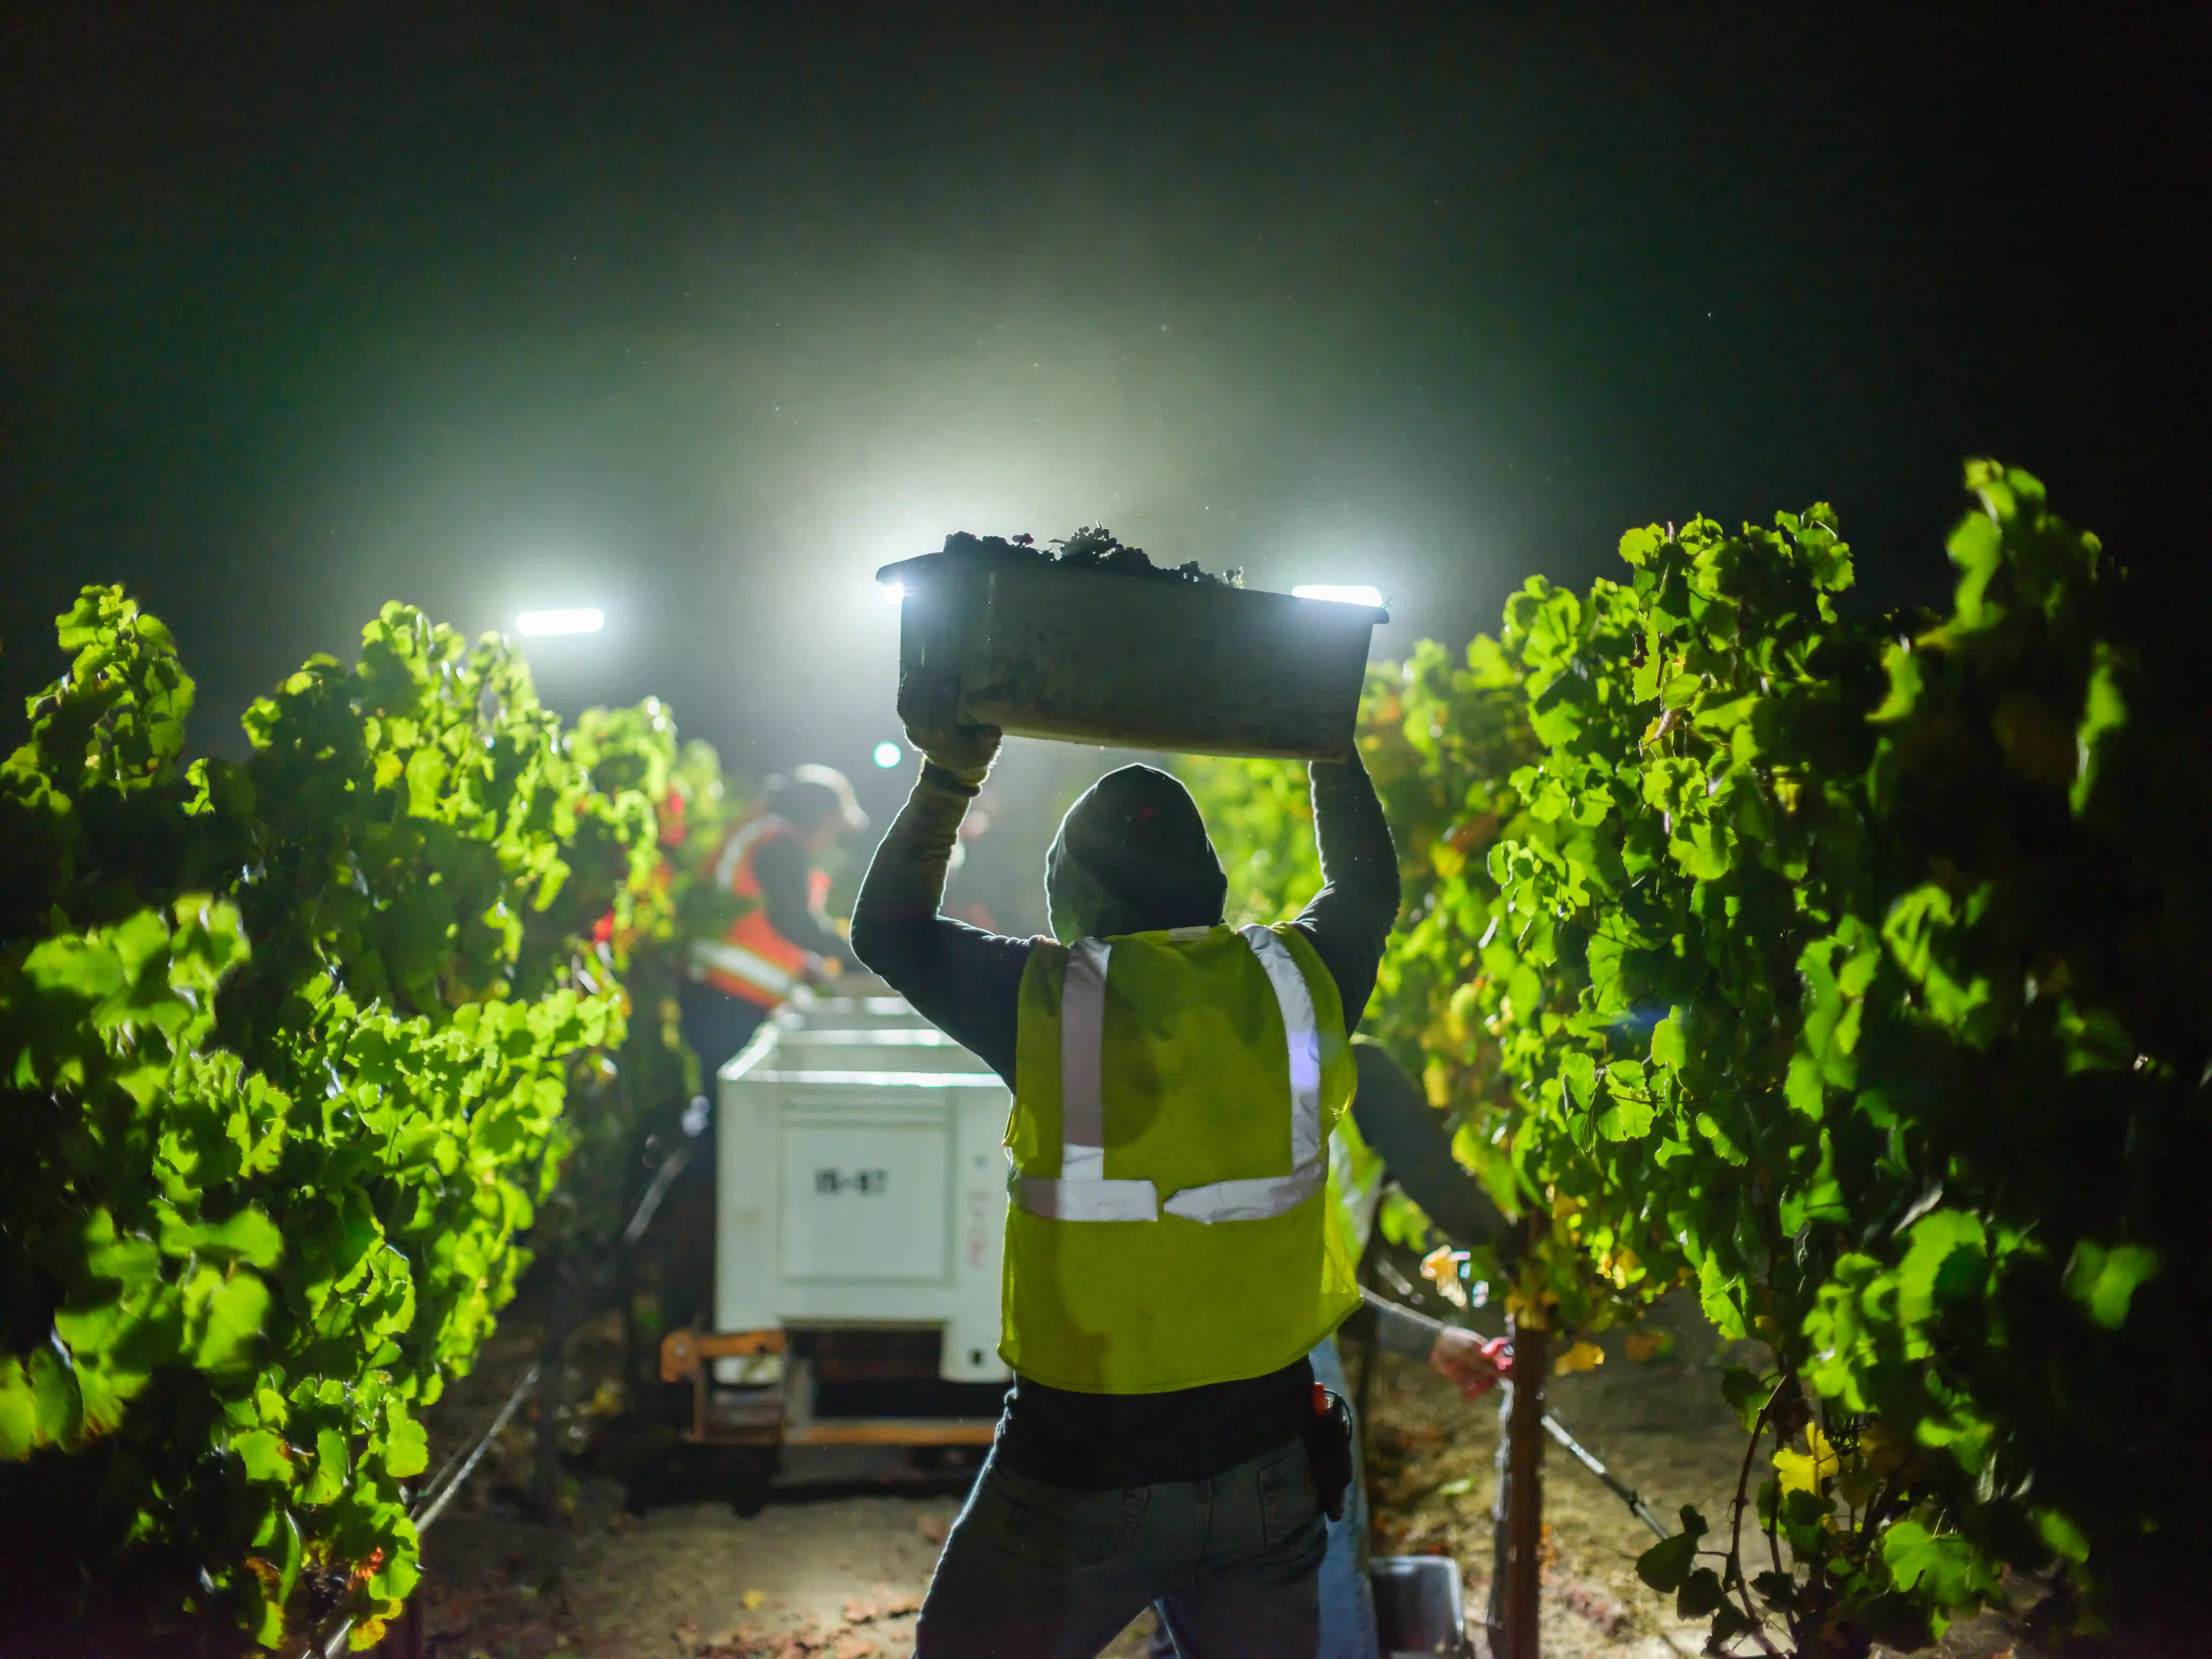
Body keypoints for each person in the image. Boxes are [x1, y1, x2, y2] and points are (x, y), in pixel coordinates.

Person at [850, 716, 1399, 1658]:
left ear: (1073, 894)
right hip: (1267, 1475)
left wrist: (952, 771)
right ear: (1211, 883)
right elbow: (1365, 889)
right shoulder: (1297, 983)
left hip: (1076, 1478)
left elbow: (888, 929)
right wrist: (1324, 742)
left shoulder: (1044, 996)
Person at [681, 763, 869, 1078]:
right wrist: (857, 958)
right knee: (730, 1115)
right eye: (832, 828)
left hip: (720, 997)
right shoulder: (781, 844)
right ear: (817, 816)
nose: (829, 840)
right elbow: (792, 920)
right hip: (729, 1002)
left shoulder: (766, 836)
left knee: (724, 1109)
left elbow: (771, 920)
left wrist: (808, 968)